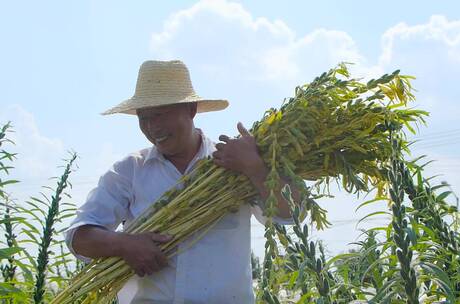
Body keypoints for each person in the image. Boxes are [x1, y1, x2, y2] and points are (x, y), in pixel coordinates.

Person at [65, 60, 299, 304]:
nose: (152, 127)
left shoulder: (233, 164)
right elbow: (79, 238)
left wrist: (255, 167)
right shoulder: (129, 171)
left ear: (191, 109)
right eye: (144, 118)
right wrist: (125, 244)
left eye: (160, 115)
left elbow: (291, 214)